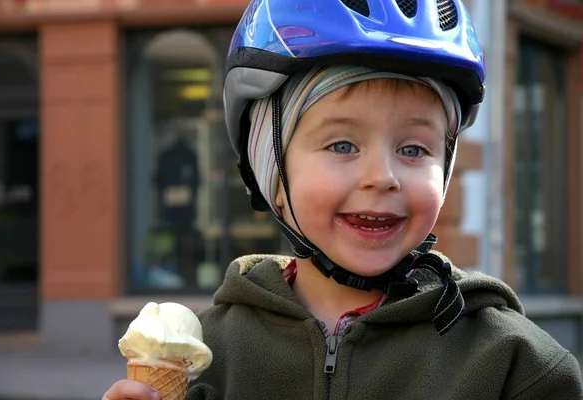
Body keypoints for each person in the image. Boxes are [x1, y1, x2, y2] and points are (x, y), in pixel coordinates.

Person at [104, 0, 583, 399]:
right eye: (342, 146)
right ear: (270, 167)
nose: (383, 177)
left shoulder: (515, 366)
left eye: (414, 149)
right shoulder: (206, 357)